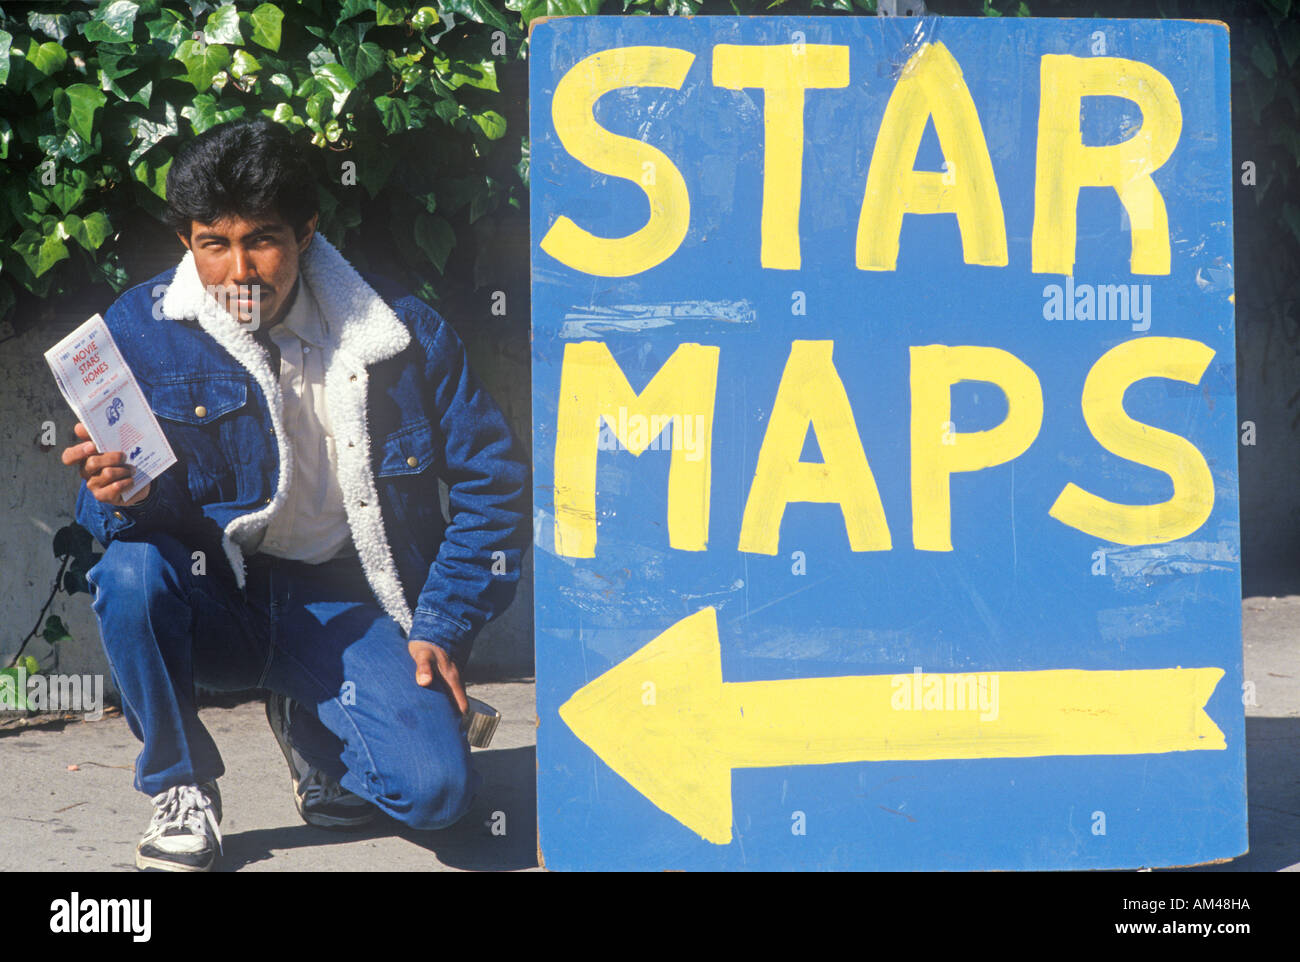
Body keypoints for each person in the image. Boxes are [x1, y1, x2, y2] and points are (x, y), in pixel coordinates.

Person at [59, 117, 530, 872]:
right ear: (187, 242)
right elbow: (108, 531)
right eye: (215, 243)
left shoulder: (401, 331)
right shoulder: (139, 332)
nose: (239, 270)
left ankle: (314, 730)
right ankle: (180, 786)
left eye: (263, 240)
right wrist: (122, 494)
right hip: (219, 600)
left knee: (438, 794)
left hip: (347, 604)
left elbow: (495, 484)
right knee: (129, 573)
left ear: (307, 231)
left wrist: (441, 623)